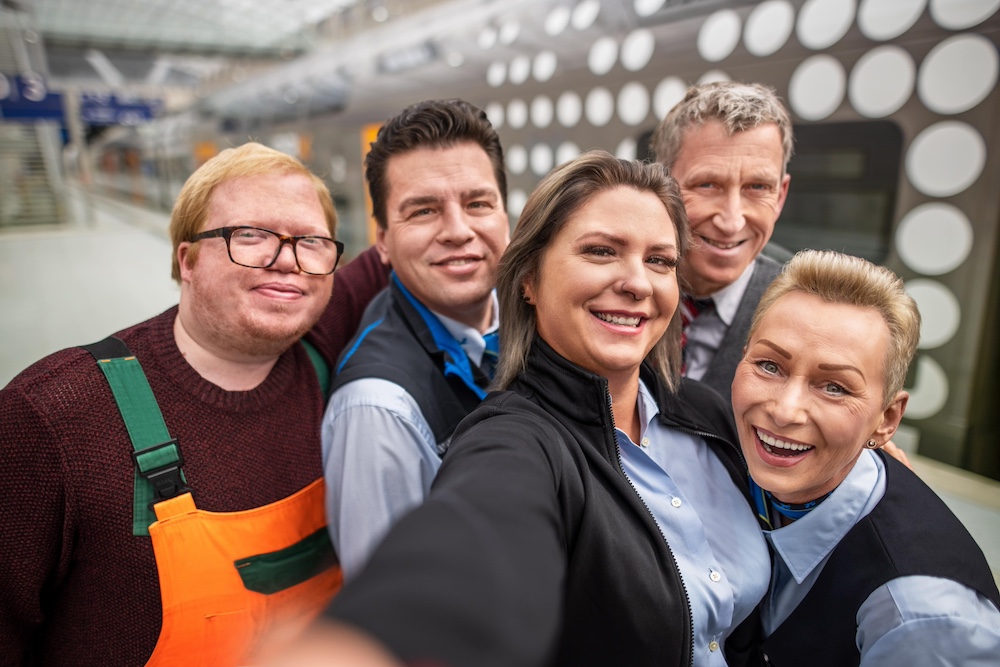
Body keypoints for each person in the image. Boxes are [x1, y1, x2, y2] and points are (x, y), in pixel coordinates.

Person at [286, 151, 770, 667]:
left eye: (659, 260)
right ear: (529, 281)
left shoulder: (704, 413)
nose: (638, 282)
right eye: (602, 251)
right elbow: (484, 525)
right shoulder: (515, 440)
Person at [0, 142, 390, 666]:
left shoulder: (321, 341)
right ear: (187, 259)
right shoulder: (53, 418)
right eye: (249, 235)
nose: (286, 262)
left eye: (312, 241)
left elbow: (415, 245)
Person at [731, 249, 1000, 666]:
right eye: (769, 365)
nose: (784, 410)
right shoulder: (725, 452)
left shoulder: (918, 614)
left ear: (886, 420)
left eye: (834, 387)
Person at [321, 99, 510, 579]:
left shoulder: (532, 318)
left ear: (505, 216)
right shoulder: (377, 411)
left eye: (478, 204)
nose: (458, 231)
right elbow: (394, 611)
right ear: (382, 240)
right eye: (423, 211)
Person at [650, 81, 792, 403]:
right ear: (662, 183)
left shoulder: (806, 313)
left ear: (780, 195)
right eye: (708, 184)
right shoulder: (611, 282)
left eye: (757, 187)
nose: (732, 222)